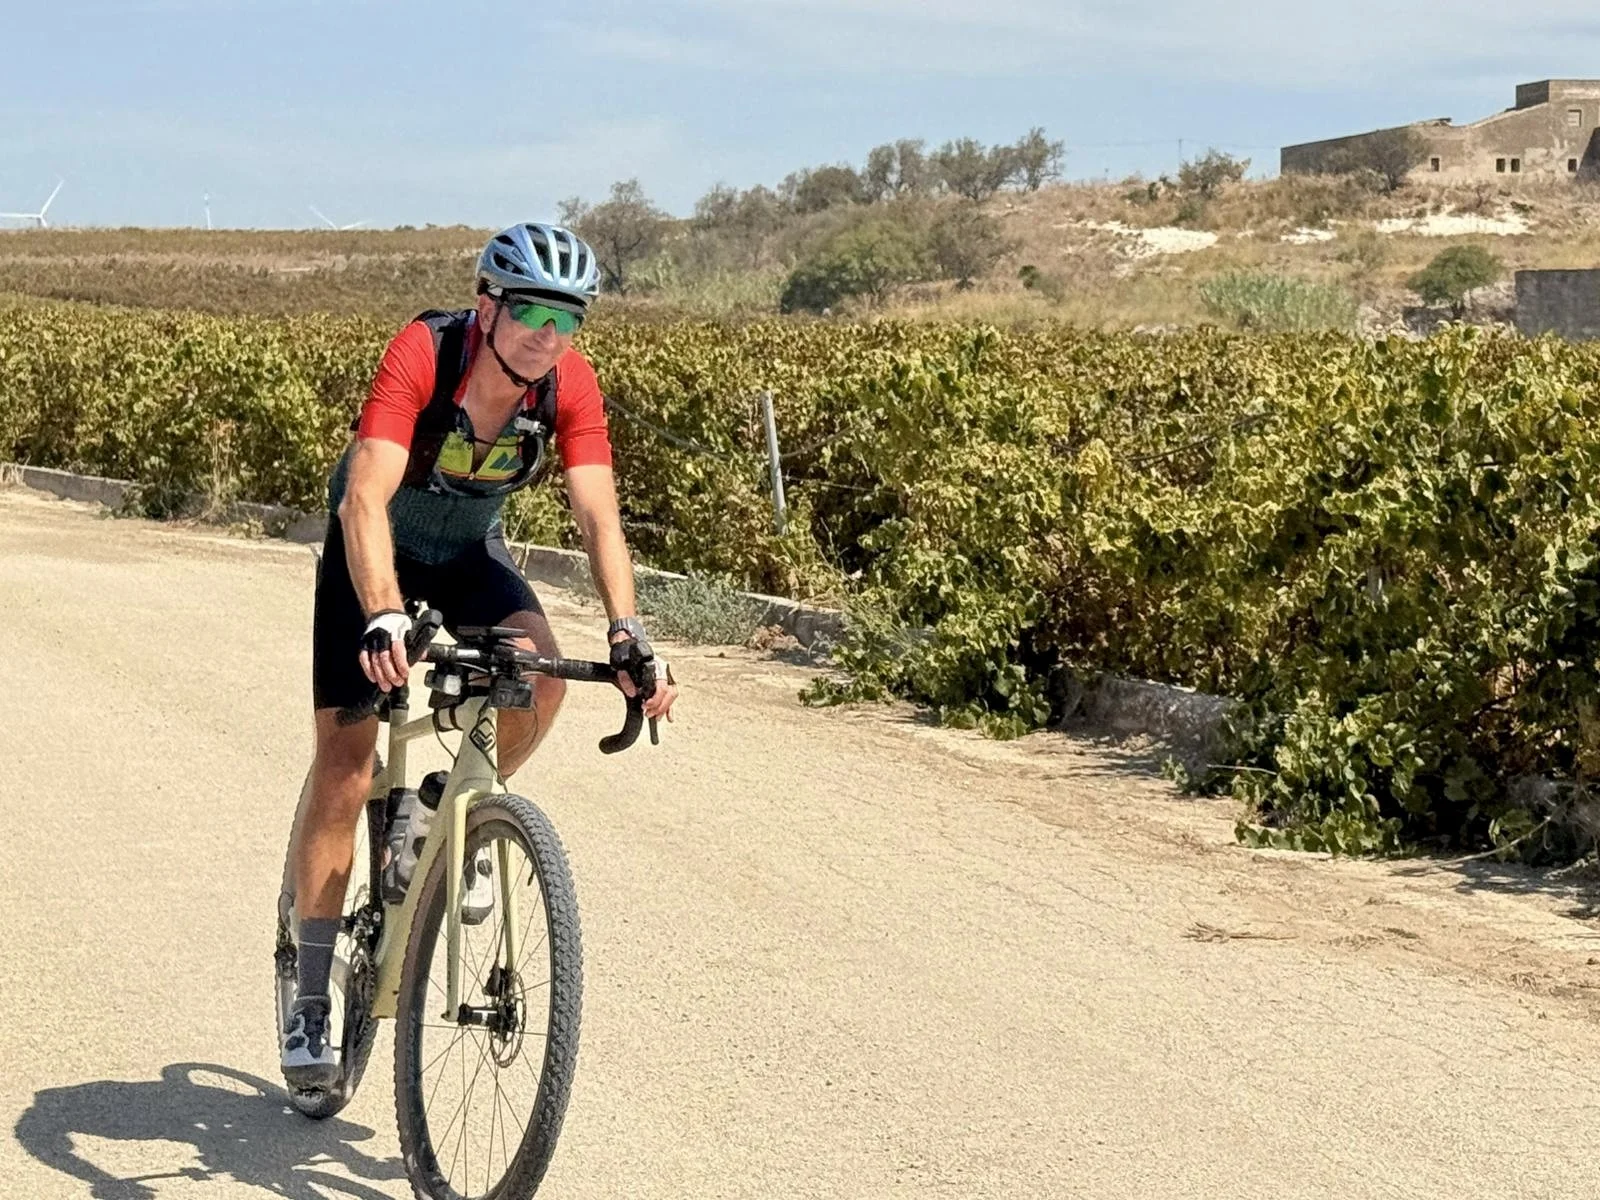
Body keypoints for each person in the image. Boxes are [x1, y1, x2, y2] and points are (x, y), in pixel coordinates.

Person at [280, 222, 678, 1086]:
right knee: (346, 766)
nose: (548, 334)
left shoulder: (565, 383)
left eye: (567, 320)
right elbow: (365, 497)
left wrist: (629, 632)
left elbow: (598, 516)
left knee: (541, 676)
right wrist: (383, 614)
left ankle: (436, 806)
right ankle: (312, 995)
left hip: (465, 556)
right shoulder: (426, 352)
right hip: (372, 552)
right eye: (533, 310)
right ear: (489, 303)